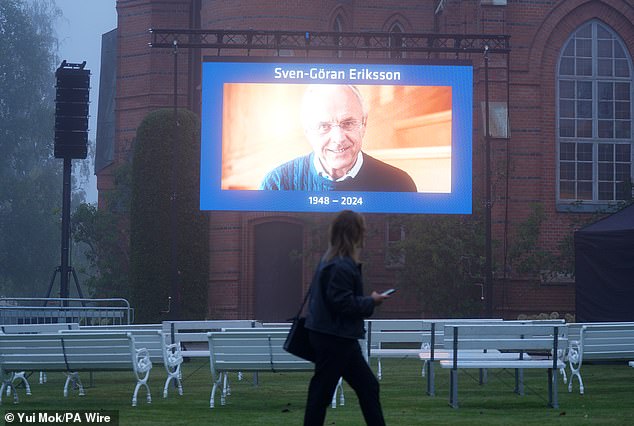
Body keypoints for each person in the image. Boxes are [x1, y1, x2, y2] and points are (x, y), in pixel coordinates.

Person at [304, 210, 389, 426]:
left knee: (362, 387)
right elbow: (342, 303)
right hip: (336, 338)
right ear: (355, 233)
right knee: (324, 394)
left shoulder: (329, 261)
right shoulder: (341, 265)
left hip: (333, 336)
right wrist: (372, 301)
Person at [259, 84, 417, 192]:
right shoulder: (278, 183)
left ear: (364, 125)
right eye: (323, 126)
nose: (338, 138)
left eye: (348, 123)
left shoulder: (398, 184)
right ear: (307, 131)